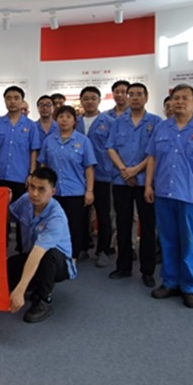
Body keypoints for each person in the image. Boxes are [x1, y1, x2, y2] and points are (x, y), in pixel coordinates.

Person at [144, 84, 193, 308]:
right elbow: (152, 158)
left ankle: (188, 286)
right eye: (176, 98)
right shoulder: (161, 127)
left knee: (189, 242)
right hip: (163, 193)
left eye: (184, 98)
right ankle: (169, 282)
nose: (179, 102)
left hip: (191, 196)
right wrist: (148, 185)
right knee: (167, 240)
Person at [107, 82, 162, 287]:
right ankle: (123, 266)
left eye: (139, 94)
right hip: (121, 180)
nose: (135, 98)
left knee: (147, 227)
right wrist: (124, 170)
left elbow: (154, 152)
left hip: (145, 182)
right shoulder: (118, 122)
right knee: (122, 224)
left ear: (147, 97)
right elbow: (110, 148)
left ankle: (147, 271)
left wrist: (135, 170)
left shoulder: (156, 122)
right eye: (132, 94)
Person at [8, 167, 77, 323]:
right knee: (8, 269)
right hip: (31, 255)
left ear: (52, 192)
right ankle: (35, 283)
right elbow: (8, 217)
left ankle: (44, 300)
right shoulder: (26, 200)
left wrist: (20, 289)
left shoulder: (56, 217)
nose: (34, 193)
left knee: (47, 256)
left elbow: (38, 253)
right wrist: (5, 202)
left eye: (41, 189)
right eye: (32, 187)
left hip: (56, 264)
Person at [37, 105, 96, 259]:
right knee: (53, 225)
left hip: (75, 191)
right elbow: (44, 166)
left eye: (68, 117)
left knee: (75, 226)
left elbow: (89, 168)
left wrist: (89, 191)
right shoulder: (49, 141)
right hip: (53, 192)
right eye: (61, 116)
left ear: (75, 121)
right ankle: (55, 257)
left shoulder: (83, 141)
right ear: (56, 120)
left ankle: (73, 257)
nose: (64, 120)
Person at [0, 86, 41, 250]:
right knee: (0, 215)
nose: (12, 101)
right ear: (4, 101)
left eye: (16, 98)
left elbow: (33, 151)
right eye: (9, 98)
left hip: (21, 176)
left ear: (22, 101)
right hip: (0, 175)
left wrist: (31, 173)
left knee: (23, 215)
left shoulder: (30, 125)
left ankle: (22, 248)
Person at [76, 86, 116, 266]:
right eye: (86, 98)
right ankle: (82, 247)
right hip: (78, 176)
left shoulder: (109, 122)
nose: (89, 101)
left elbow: (113, 148)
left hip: (102, 175)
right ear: (81, 101)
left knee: (103, 214)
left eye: (93, 98)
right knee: (81, 214)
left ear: (99, 100)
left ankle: (103, 250)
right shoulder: (75, 121)